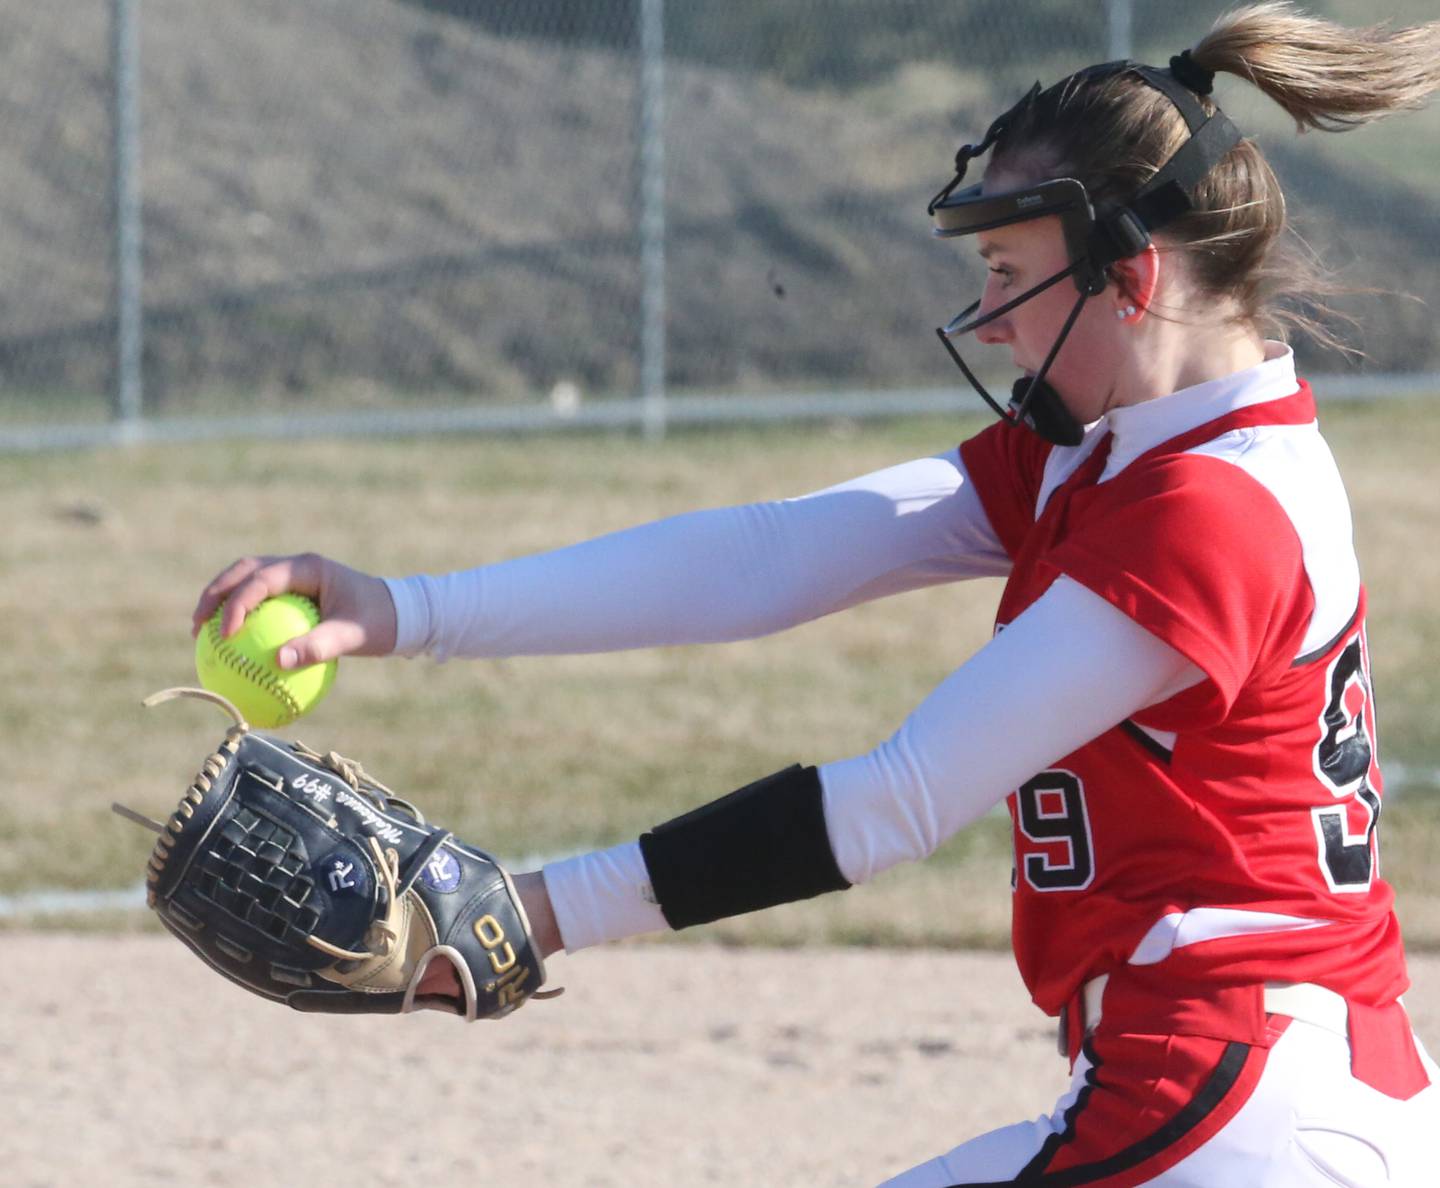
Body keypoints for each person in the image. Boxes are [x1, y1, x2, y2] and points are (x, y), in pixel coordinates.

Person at [193, 5, 1440, 1183]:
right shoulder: (1129, 452)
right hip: (1256, 1089)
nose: (990, 316)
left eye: (1011, 270)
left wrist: (531, 912)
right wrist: (407, 610)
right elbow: (769, 559)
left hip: (1232, 1104)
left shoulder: (1207, 512)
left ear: (1134, 275)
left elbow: (898, 798)